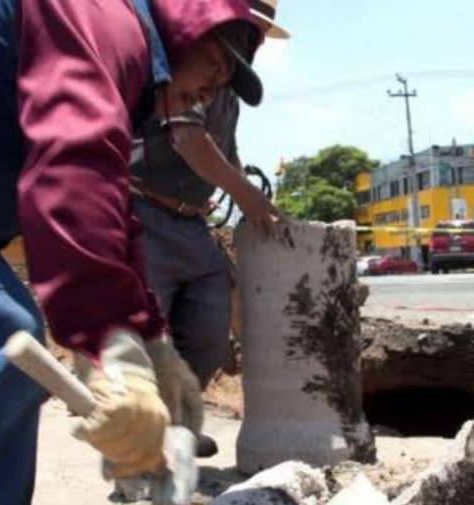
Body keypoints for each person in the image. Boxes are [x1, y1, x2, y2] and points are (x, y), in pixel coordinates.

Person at [0, 0, 264, 503]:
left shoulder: (113, 42)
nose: (216, 85)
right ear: (185, 22)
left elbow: (109, 205)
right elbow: (73, 174)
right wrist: (110, 352)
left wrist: (150, 342)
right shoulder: (106, 22)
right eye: (219, 60)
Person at [127, 0, 290, 460]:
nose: (252, 37)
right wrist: (246, 196)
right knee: (148, 342)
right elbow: (188, 139)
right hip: (144, 214)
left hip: (192, 223)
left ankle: (177, 425)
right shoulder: (184, 65)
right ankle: (141, 452)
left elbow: (226, 153)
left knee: (209, 331)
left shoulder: (227, 90)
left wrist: (253, 203)